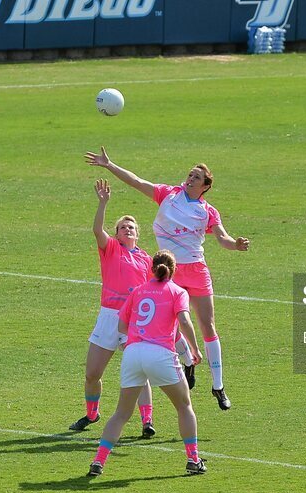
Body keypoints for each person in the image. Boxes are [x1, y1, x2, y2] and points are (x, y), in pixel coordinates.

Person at [84, 147, 250, 411]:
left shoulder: (208, 211)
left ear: (205, 186)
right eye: (189, 175)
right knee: (171, 325)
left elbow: (221, 237)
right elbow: (137, 182)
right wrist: (110, 165)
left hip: (196, 270)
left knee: (207, 326)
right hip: (169, 271)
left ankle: (218, 386)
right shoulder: (168, 194)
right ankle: (187, 362)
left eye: (196, 178)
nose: (189, 179)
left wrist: (236, 245)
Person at [87, 250, 206, 477]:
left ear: (151, 268)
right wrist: (194, 348)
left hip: (132, 353)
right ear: (173, 270)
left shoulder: (138, 291)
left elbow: (121, 326)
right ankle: (193, 459)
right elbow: (183, 320)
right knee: (184, 406)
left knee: (121, 413)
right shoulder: (177, 291)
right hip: (160, 354)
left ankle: (98, 462)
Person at [69, 179, 156, 437]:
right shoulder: (111, 249)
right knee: (92, 373)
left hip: (134, 319)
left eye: (131, 227)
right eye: (122, 227)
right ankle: (92, 414)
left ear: (137, 234)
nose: (127, 229)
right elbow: (97, 230)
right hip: (108, 316)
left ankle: (147, 421)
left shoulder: (146, 259)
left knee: (139, 371)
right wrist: (103, 203)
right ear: (116, 233)